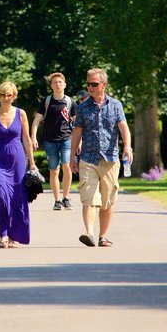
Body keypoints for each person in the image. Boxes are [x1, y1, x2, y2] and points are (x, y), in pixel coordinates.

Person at [69, 68, 132, 248]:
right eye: (88, 84)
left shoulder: (116, 105)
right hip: (88, 158)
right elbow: (77, 133)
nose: (90, 87)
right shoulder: (82, 108)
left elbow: (123, 127)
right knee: (88, 197)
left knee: (107, 200)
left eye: (94, 84)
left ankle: (103, 236)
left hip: (110, 159)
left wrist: (127, 146)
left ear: (103, 85)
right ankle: (89, 233)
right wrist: (73, 155)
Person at [0, 81, 37, 248]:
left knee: (18, 199)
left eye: (9, 95)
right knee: (2, 197)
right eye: (2, 94)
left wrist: (32, 163)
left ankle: (14, 236)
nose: (5, 98)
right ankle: (3, 234)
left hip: (17, 160)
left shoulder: (21, 114)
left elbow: (26, 138)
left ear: (14, 96)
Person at [29, 72, 76, 211]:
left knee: (67, 166)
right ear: (51, 86)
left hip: (67, 138)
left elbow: (77, 124)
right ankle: (57, 200)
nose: (58, 84)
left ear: (65, 84)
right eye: (55, 82)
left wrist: (79, 141)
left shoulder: (70, 102)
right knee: (54, 170)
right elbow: (36, 121)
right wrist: (33, 137)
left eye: (60, 82)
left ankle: (66, 197)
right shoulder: (46, 101)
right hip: (50, 140)